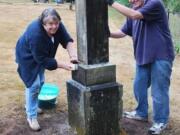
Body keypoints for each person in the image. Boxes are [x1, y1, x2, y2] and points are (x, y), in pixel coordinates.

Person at [106, 0, 175, 134]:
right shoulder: (133, 10)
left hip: (161, 55)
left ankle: (161, 121)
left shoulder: (155, 3)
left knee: (158, 91)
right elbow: (123, 32)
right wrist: (107, 33)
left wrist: (111, 2)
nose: (131, 1)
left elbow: (135, 15)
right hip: (143, 55)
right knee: (139, 85)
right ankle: (141, 112)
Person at [15, 8, 78, 131]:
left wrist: (73, 57)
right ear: (43, 23)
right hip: (26, 57)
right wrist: (66, 65)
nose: (54, 27)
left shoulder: (58, 26)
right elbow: (44, 61)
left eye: (56, 23)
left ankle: (30, 105)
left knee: (41, 81)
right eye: (50, 24)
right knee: (33, 85)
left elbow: (67, 40)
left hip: (41, 55)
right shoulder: (35, 34)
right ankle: (31, 116)